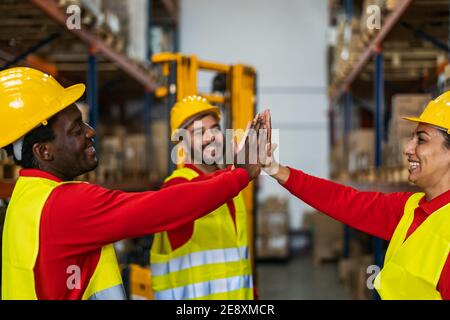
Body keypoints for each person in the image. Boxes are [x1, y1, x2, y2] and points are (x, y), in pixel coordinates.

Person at [0, 67, 261, 300]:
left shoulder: (26, 197)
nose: (91, 132)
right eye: (77, 130)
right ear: (44, 152)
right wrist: (240, 174)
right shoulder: (64, 204)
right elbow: (162, 208)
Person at [261, 91, 450, 299]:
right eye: (411, 138)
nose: (407, 148)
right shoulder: (410, 208)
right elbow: (342, 200)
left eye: (421, 140)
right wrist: (275, 169)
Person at [150, 96, 254, 300]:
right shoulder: (176, 186)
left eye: (214, 129)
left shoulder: (232, 187)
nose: (210, 137)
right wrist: (238, 171)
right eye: (199, 132)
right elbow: (201, 192)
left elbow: (240, 264)